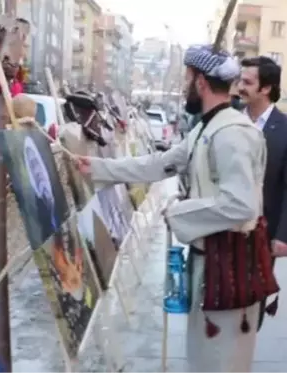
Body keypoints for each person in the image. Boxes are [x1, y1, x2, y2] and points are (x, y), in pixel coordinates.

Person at [76, 44, 269, 373]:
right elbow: (160, 165)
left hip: (230, 269)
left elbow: (241, 205)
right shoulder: (206, 128)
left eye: (187, 77)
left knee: (222, 364)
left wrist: (178, 212)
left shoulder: (232, 133)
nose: (184, 84)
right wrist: (95, 168)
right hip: (211, 267)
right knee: (205, 360)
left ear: (200, 82)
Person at [237, 56, 287, 328]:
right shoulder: (228, 121)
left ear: (265, 88)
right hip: (224, 227)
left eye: (247, 81)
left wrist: (284, 236)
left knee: (254, 297)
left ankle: (245, 350)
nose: (240, 86)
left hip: (264, 231)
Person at [23, 136, 58, 247]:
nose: (37, 171)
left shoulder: (56, 201)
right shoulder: (40, 208)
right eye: (32, 164)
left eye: (37, 163)